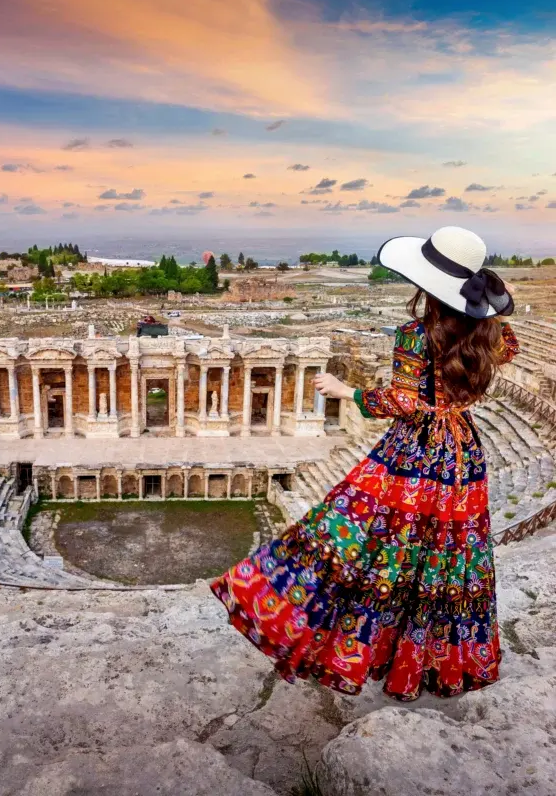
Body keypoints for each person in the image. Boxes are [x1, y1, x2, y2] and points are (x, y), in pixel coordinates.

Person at [210, 226, 519, 701]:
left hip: (414, 453)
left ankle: (303, 620)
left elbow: (403, 401)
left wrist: (346, 392)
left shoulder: (416, 336)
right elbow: (507, 350)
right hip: (462, 454)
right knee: (447, 558)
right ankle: (432, 664)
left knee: (352, 537)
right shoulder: (493, 334)